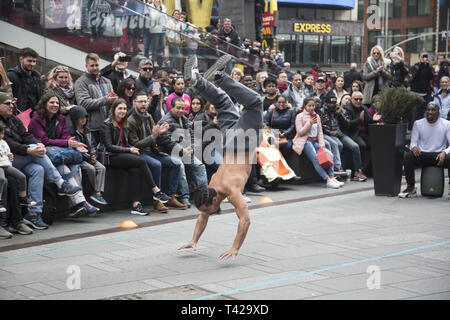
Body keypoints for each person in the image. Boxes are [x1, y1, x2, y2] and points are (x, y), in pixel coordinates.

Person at [178, 55, 262, 259]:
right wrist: (194, 240)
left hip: (242, 142)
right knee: (223, 103)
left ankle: (221, 79)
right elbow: (203, 215)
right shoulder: (210, 186)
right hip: (227, 140)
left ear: (214, 199)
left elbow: (245, 220)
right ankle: (201, 80)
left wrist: (235, 248)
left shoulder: (230, 191)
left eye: (210, 208)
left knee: (255, 103)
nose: (210, 212)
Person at [0, 92, 81, 230]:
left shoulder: (14, 119)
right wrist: (29, 149)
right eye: (7, 103)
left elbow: (26, 135)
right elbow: (8, 143)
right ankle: (60, 182)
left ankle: (34, 213)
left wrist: (39, 144)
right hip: (7, 160)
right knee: (34, 149)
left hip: (21, 158)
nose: (11, 106)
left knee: (39, 169)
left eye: (12, 103)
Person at [28, 93, 100, 217]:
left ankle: (77, 205)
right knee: (65, 168)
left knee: (75, 167)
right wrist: (67, 143)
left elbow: (66, 136)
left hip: (58, 151)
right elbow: (44, 140)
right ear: (44, 104)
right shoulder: (36, 119)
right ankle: (81, 202)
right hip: (42, 154)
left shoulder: (61, 118)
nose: (55, 105)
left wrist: (76, 144)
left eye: (57, 103)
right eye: (51, 102)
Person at [100, 98, 171, 215]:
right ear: (113, 110)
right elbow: (109, 146)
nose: (123, 111)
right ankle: (156, 191)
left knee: (136, 170)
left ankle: (136, 205)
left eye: (124, 109)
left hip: (123, 154)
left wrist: (130, 149)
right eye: (120, 109)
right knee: (141, 161)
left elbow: (126, 142)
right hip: (111, 156)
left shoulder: (124, 122)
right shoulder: (106, 124)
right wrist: (129, 149)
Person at [128, 91, 187, 211]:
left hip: (153, 151)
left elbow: (156, 135)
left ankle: (170, 197)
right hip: (140, 152)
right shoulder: (131, 120)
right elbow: (136, 144)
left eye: (145, 101)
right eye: (140, 102)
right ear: (135, 103)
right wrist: (154, 136)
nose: (143, 104)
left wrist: (160, 132)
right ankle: (157, 201)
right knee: (157, 165)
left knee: (175, 163)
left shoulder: (149, 116)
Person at [400, 102, 450, 197]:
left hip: (439, 156)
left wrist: (444, 152)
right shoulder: (418, 123)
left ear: (438, 112)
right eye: (428, 110)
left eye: (433, 110)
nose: (430, 112)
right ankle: (411, 187)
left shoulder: (446, 124)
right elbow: (413, 142)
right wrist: (414, 147)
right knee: (408, 156)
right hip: (422, 154)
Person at [157, 98, 208, 192]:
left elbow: (192, 135)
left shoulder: (184, 118)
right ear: (171, 108)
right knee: (180, 166)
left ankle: (204, 195)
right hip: (169, 152)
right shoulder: (165, 121)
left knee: (200, 166)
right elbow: (166, 140)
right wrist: (182, 150)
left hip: (185, 151)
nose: (181, 110)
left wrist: (192, 148)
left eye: (182, 108)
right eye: (178, 108)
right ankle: (184, 197)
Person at [292, 98, 343, 189]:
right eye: (309, 106)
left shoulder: (317, 116)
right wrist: (309, 123)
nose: (312, 107)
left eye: (313, 105)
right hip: (305, 141)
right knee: (316, 158)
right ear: (305, 106)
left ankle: (331, 176)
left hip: (315, 141)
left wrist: (321, 145)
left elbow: (320, 132)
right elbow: (300, 132)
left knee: (329, 154)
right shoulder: (299, 116)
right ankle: (327, 179)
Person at [75, 53, 118, 148]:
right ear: (86, 66)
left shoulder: (107, 81)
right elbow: (83, 103)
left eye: (97, 65)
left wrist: (114, 100)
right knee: (95, 156)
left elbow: (111, 103)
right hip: (91, 128)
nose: (95, 68)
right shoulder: (81, 82)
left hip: (108, 126)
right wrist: (106, 99)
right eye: (92, 66)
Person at [68, 106, 108, 206]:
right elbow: (75, 149)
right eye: (80, 117)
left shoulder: (87, 130)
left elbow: (93, 145)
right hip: (79, 158)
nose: (83, 120)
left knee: (101, 168)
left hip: (90, 157)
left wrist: (94, 155)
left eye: (85, 117)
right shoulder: (72, 132)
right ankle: (93, 190)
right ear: (75, 119)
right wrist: (89, 157)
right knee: (91, 169)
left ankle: (98, 193)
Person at [321, 93, 365, 180]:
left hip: (340, 134)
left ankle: (358, 171)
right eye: (330, 103)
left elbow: (347, 123)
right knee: (339, 145)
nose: (332, 105)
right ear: (326, 103)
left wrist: (340, 113)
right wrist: (330, 132)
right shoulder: (322, 111)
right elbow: (320, 127)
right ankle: (336, 170)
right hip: (329, 134)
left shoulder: (339, 110)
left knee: (355, 146)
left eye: (334, 103)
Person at [338, 91, 381, 179]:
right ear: (351, 100)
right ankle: (358, 170)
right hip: (350, 133)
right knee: (362, 145)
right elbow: (348, 125)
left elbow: (368, 121)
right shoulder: (347, 109)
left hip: (361, 133)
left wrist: (375, 120)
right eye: (356, 99)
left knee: (373, 144)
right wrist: (359, 119)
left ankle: (368, 169)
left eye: (360, 99)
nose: (358, 101)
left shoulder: (364, 108)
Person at [0, 122, 36, 212]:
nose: (1, 135)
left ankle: (23, 198)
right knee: (2, 179)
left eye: (2, 133)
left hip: (6, 164)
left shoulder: (3, 143)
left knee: (21, 176)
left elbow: (8, 153)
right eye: (0, 133)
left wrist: (10, 156)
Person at [7, 47, 41, 112]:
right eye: (29, 61)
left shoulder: (36, 77)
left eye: (34, 61)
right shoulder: (11, 75)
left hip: (34, 115)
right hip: (17, 115)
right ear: (21, 59)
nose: (32, 64)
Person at [410, 51, 434, 121]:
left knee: (425, 113)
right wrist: (421, 66)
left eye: (426, 56)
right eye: (423, 56)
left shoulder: (429, 67)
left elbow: (431, 77)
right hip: (416, 94)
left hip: (426, 94)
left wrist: (427, 66)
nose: (424, 58)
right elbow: (414, 78)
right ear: (419, 58)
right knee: (416, 114)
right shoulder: (415, 67)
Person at [143, 0, 167, 66]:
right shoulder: (151, 7)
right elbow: (154, 18)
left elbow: (165, 18)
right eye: (156, 1)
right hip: (154, 30)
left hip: (162, 30)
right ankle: (154, 60)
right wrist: (158, 10)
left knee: (162, 46)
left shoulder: (163, 7)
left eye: (159, 1)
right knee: (154, 46)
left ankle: (157, 58)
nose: (158, 2)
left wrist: (160, 11)